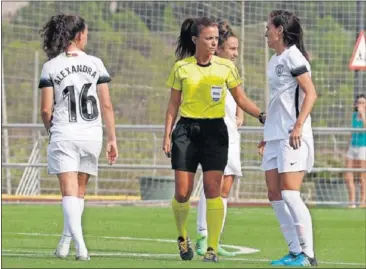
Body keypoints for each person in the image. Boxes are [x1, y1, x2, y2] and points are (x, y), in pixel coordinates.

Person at [163, 17, 265, 263]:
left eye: (216, 39)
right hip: (186, 131)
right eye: (208, 38)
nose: (213, 43)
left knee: (213, 191)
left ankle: (212, 248)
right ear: (195, 40)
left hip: (215, 132)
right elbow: (173, 105)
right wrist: (167, 135)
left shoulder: (226, 68)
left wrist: (261, 114)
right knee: (182, 193)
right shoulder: (181, 68)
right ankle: (182, 236)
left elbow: (241, 99)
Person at [39, 13, 118, 261]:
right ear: (79, 35)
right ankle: (65, 243)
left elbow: (45, 109)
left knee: (69, 193)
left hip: (65, 133)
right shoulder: (96, 63)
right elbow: (106, 106)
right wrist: (112, 139)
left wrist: (50, 128)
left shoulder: (51, 66)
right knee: (79, 192)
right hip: (91, 134)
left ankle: (81, 246)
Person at [258, 10, 318, 266]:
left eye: (269, 27)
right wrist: (267, 134)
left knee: (290, 194)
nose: (266, 31)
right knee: (274, 194)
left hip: (292, 136)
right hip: (275, 136)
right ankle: (294, 251)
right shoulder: (275, 59)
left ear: (280, 30)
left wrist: (298, 126)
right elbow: (278, 101)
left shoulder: (294, 56)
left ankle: (308, 255)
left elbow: (311, 93)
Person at [195, 20, 243, 257]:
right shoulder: (208, 68)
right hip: (214, 134)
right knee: (213, 185)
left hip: (232, 135)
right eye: (232, 48)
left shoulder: (230, 71)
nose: (236, 53)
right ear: (220, 48)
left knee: (226, 186)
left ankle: (215, 238)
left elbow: (238, 95)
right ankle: (203, 236)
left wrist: (240, 112)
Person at [344, 94, 366, 208]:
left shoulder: (364, 115)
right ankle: (351, 201)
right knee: (348, 174)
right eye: (358, 102)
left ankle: (363, 202)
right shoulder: (353, 115)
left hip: (363, 147)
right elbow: (351, 132)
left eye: (362, 102)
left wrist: (363, 115)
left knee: (362, 176)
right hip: (353, 146)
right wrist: (347, 148)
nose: (360, 105)